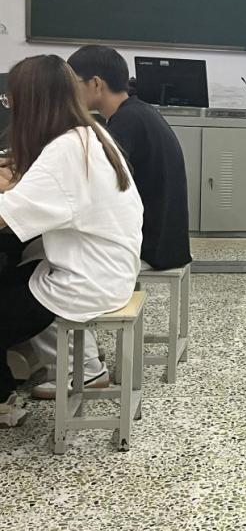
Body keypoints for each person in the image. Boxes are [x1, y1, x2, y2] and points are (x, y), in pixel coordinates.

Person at [29, 45, 192, 400]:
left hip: (152, 246)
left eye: (73, 83)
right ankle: (79, 354)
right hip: (164, 236)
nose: (68, 92)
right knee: (55, 248)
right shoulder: (138, 112)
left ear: (96, 84)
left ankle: (84, 365)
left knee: (46, 259)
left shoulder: (125, 123)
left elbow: (92, 182)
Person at [0, 55, 143, 428]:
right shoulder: (89, 133)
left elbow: (6, 215)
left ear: (31, 103)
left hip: (86, 282)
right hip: (105, 269)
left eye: (11, 100)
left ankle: (4, 400)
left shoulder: (65, 151)